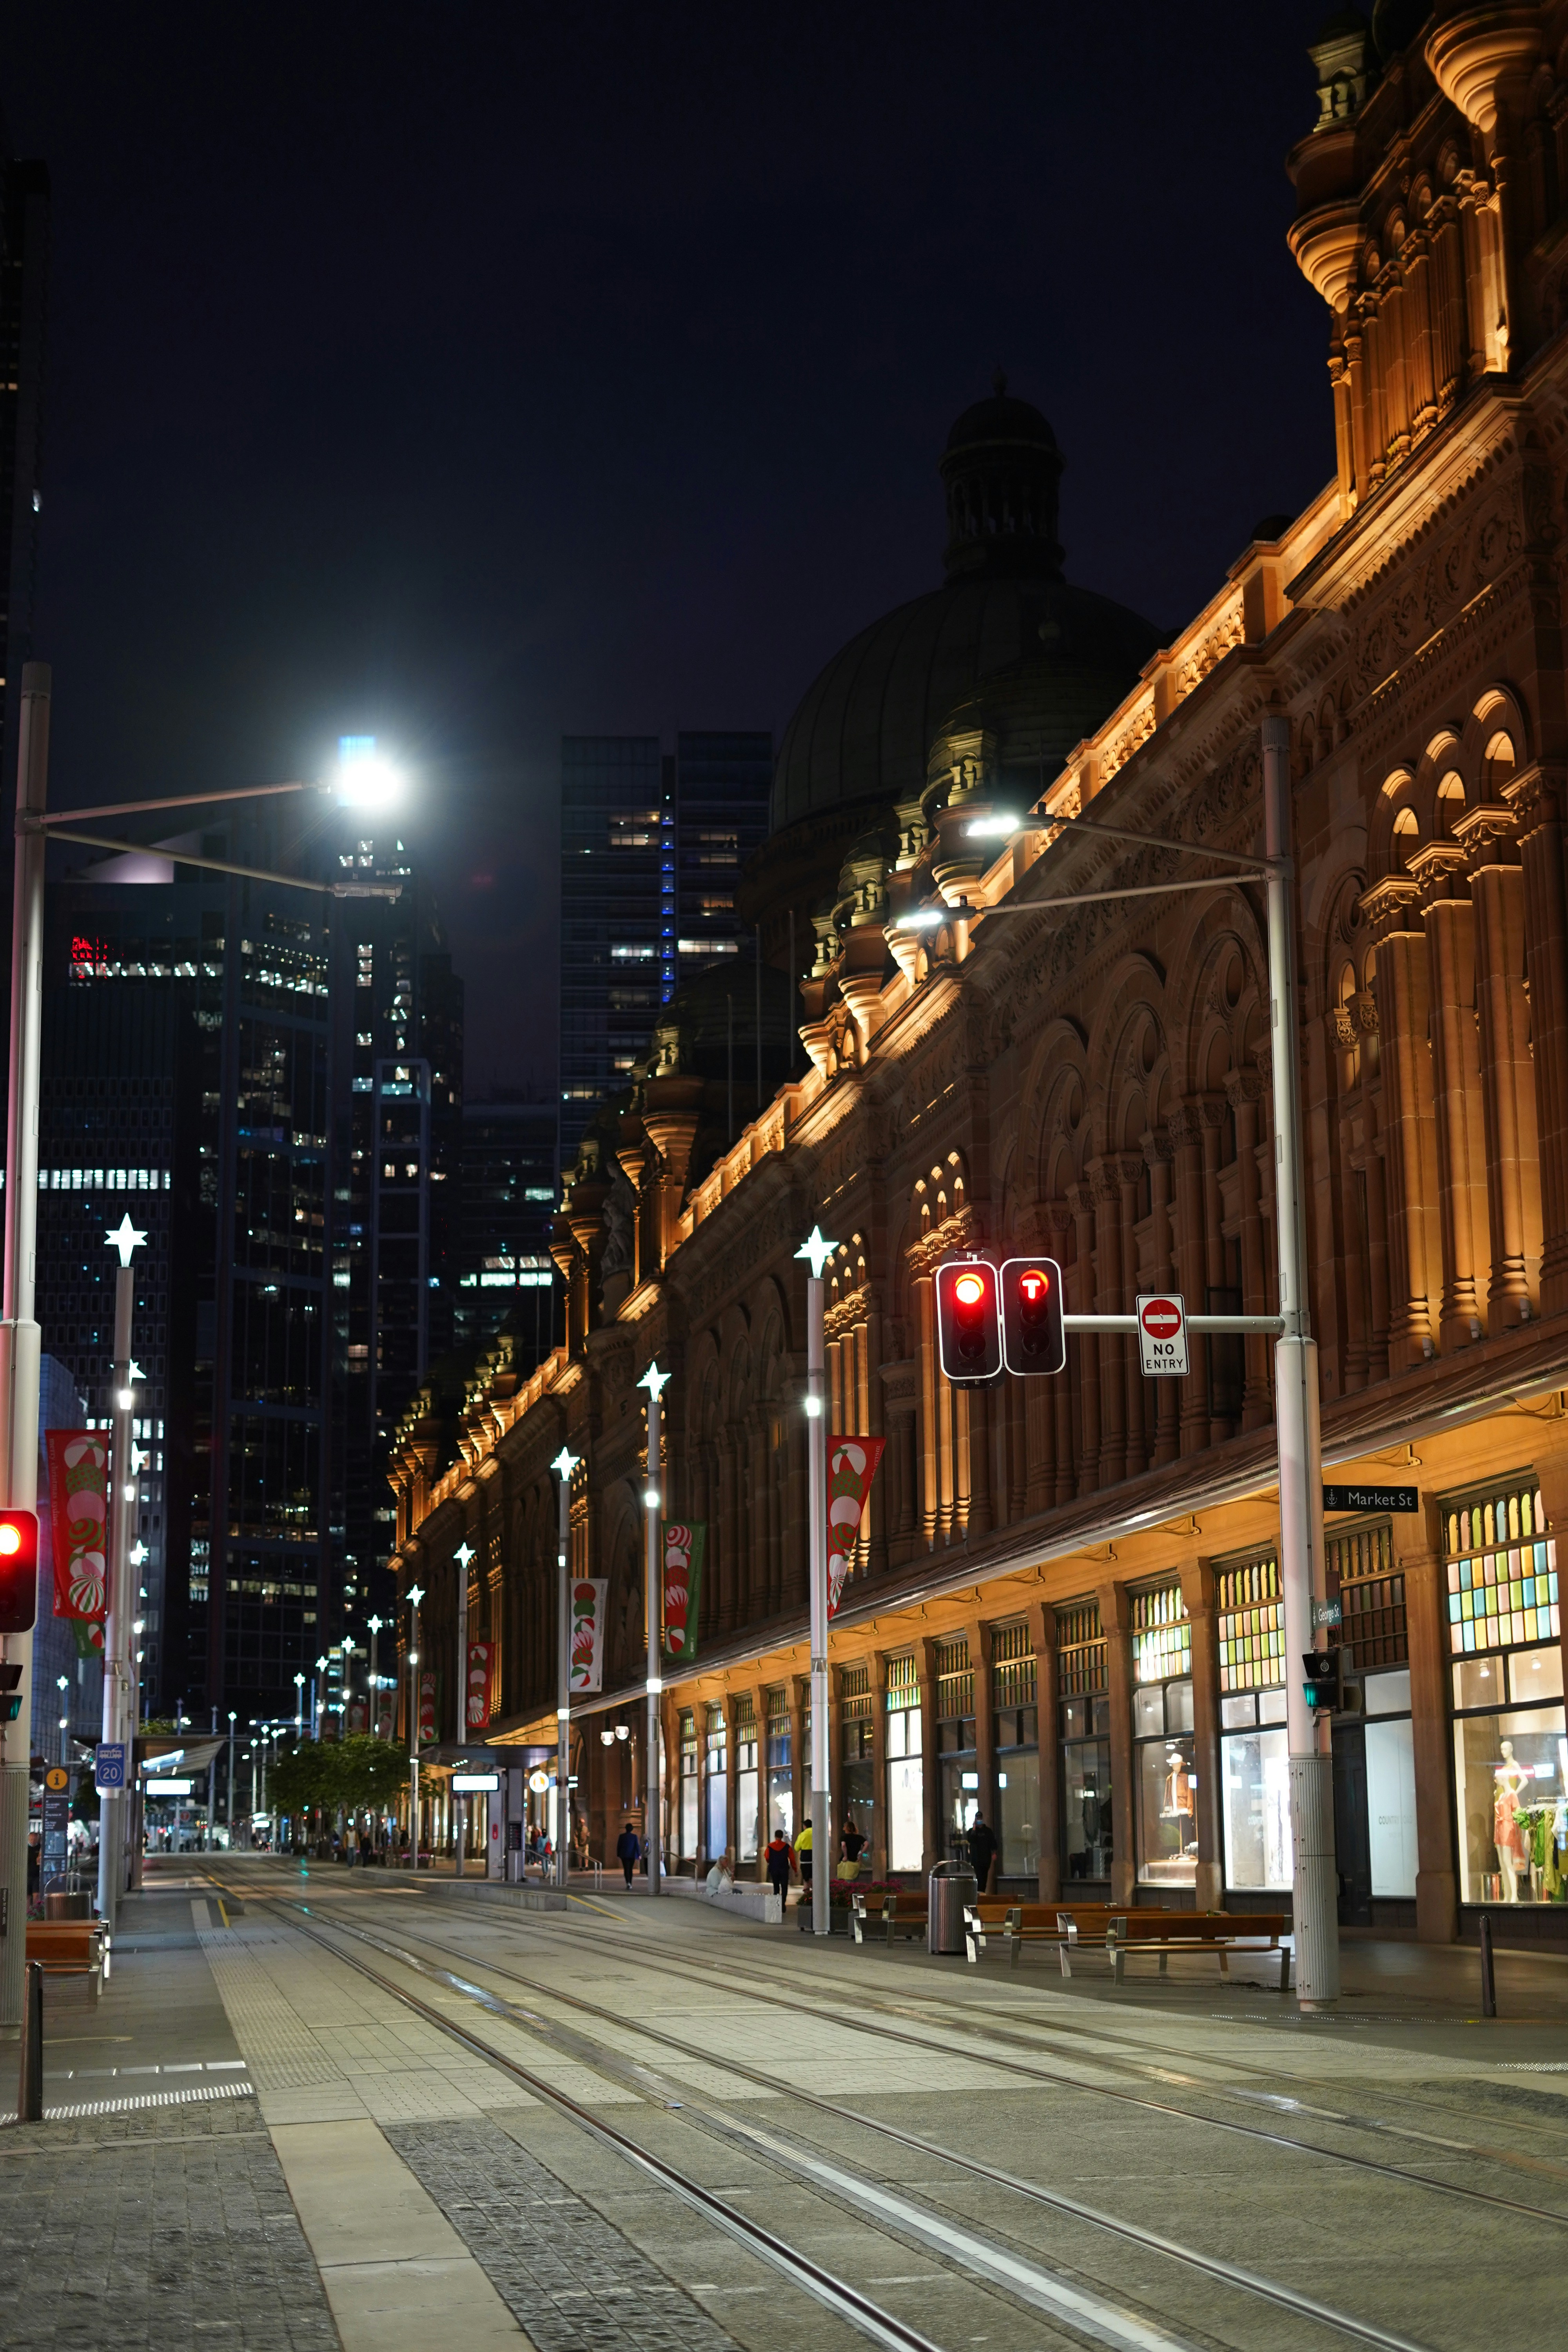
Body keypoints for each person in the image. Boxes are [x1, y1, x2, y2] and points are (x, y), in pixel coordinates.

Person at [764, 1826, 795, 1920]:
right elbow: (792, 1859)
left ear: (775, 1836)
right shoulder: (787, 1847)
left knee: (776, 1887)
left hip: (774, 1869)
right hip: (784, 1869)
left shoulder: (770, 1846)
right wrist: (795, 1869)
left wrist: (772, 1862)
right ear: (782, 1837)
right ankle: (783, 1903)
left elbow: (767, 1857)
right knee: (784, 1887)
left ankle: (777, 1904)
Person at [966, 1810, 997, 1895]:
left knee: (984, 1878)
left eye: (980, 1818)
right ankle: (979, 1893)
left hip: (986, 1859)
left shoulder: (988, 1831)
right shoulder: (972, 1832)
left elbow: (992, 1842)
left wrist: (994, 1853)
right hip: (976, 1860)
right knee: (979, 1877)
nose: (979, 1820)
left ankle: (982, 1893)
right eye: (978, 1818)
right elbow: (971, 1840)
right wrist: (974, 1828)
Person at [615, 1820, 641, 1889]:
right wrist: (639, 1855)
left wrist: (618, 1854)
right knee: (630, 1869)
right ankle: (630, 1883)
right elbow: (637, 1846)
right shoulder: (635, 1837)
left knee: (626, 1869)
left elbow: (619, 1846)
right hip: (632, 1855)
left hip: (624, 1855)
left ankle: (628, 1883)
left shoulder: (622, 1836)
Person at [795, 1816, 813, 1895]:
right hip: (815, 1858)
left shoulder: (802, 1835)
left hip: (805, 1859)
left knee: (806, 1878)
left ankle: (807, 1895)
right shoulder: (817, 1833)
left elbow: (796, 1848)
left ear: (805, 1826)